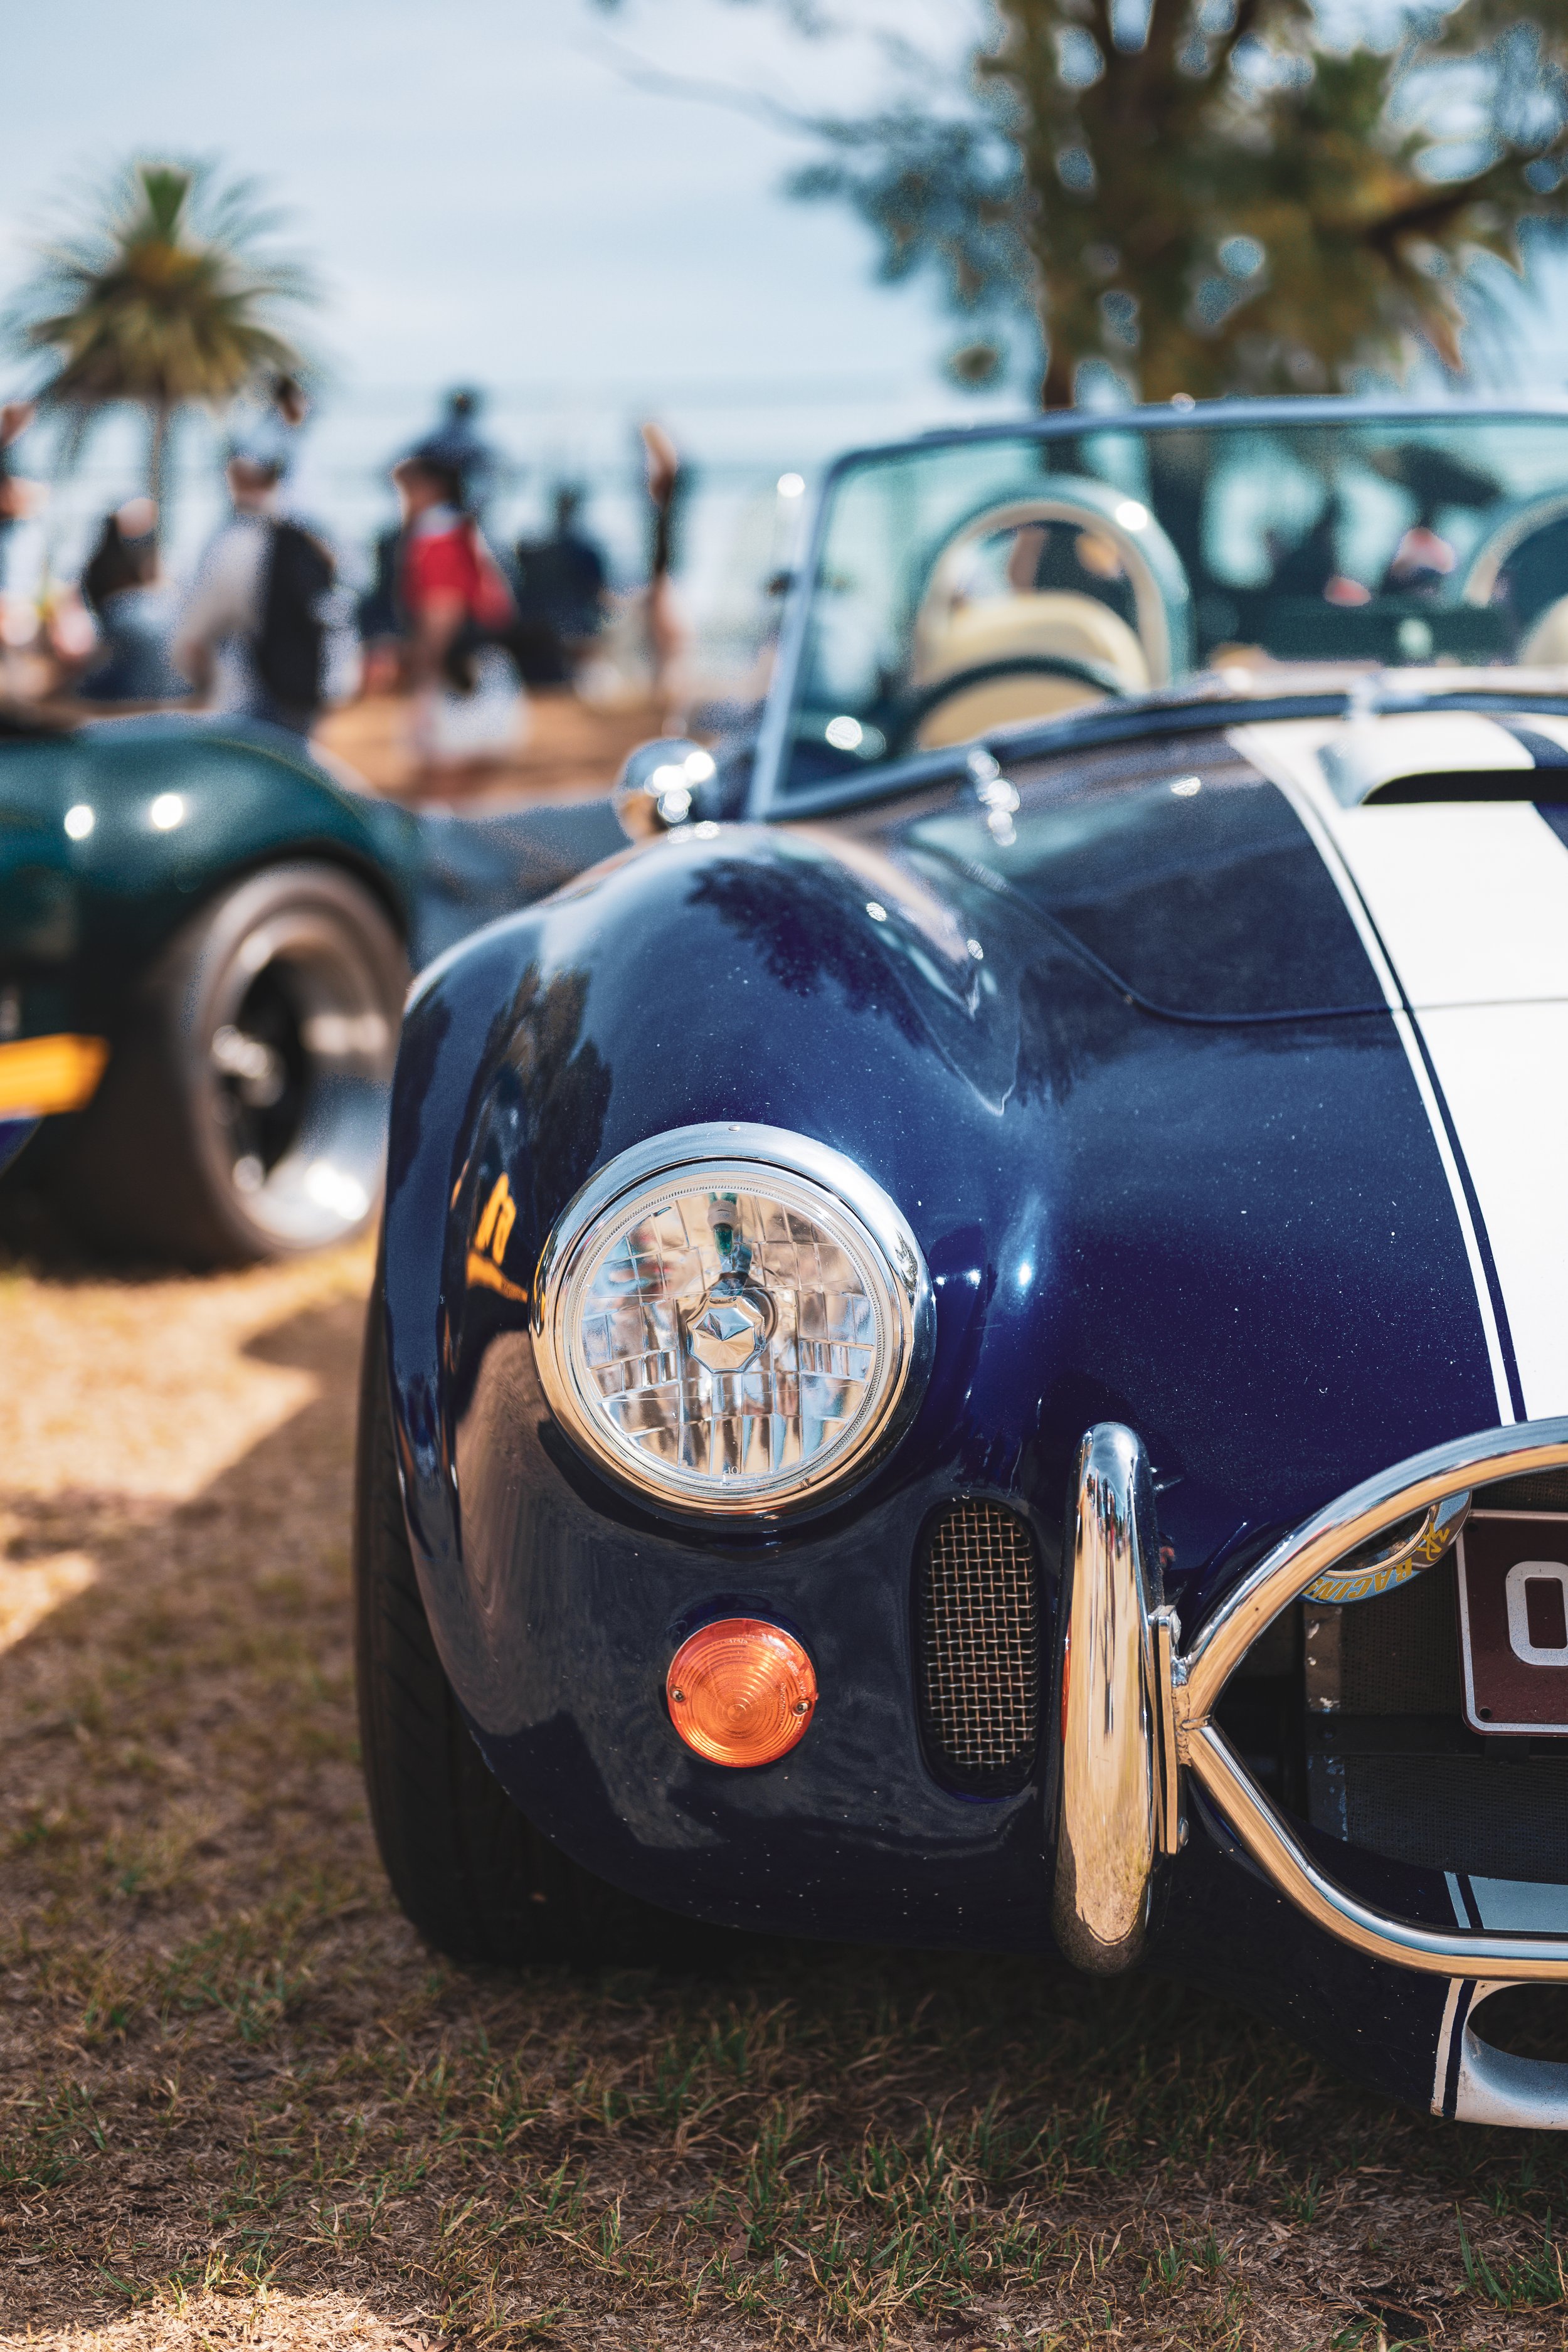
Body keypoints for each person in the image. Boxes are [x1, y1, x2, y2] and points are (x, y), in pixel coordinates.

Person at [172, 445, 344, 738]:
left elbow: (193, 638)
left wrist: (194, 682)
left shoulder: (238, 541)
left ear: (238, 476)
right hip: (306, 691)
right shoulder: (313, 538)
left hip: (250, 697)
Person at [393, 450, 524, 788]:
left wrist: (426, 666)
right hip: (484, 668)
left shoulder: (436, 533)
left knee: (445, 789)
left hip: (461, 677)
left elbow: (443, 607)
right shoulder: (461, 527)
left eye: (407, 489)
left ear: (431, 488)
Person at [77, 497, 187, 703]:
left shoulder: (124, 614)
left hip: (134, 714)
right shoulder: (168, 606)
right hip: (178, 711)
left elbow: (92, 684)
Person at [513, 484, 608, 677]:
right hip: (571, 633)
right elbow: (598, 594)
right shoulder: (585, 551)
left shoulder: (533, 551)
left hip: (540, 633)